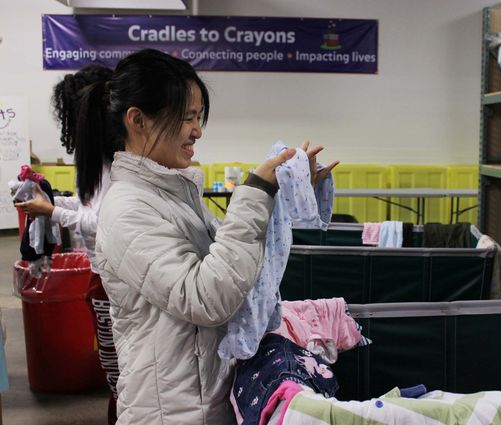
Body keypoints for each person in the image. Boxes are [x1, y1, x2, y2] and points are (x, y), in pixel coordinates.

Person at [70, 48, 336, 425]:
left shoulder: (174, 194)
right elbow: (208, 297)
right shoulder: (129, 210)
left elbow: (231, 265)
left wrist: (275, 199)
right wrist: (256, 190)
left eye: (199, 117)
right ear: (138, 120)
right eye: (187, 117)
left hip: (202, 401)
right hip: (172, 413)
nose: (197, 130)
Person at [15, 64, 120, 424]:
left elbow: (106, 223)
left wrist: (54, 212)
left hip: (112, 280)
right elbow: (90, 206)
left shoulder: (115, 166)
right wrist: (52, 201)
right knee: (115, 369)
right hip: (102, 278)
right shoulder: (99, 162)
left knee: (120, 375)